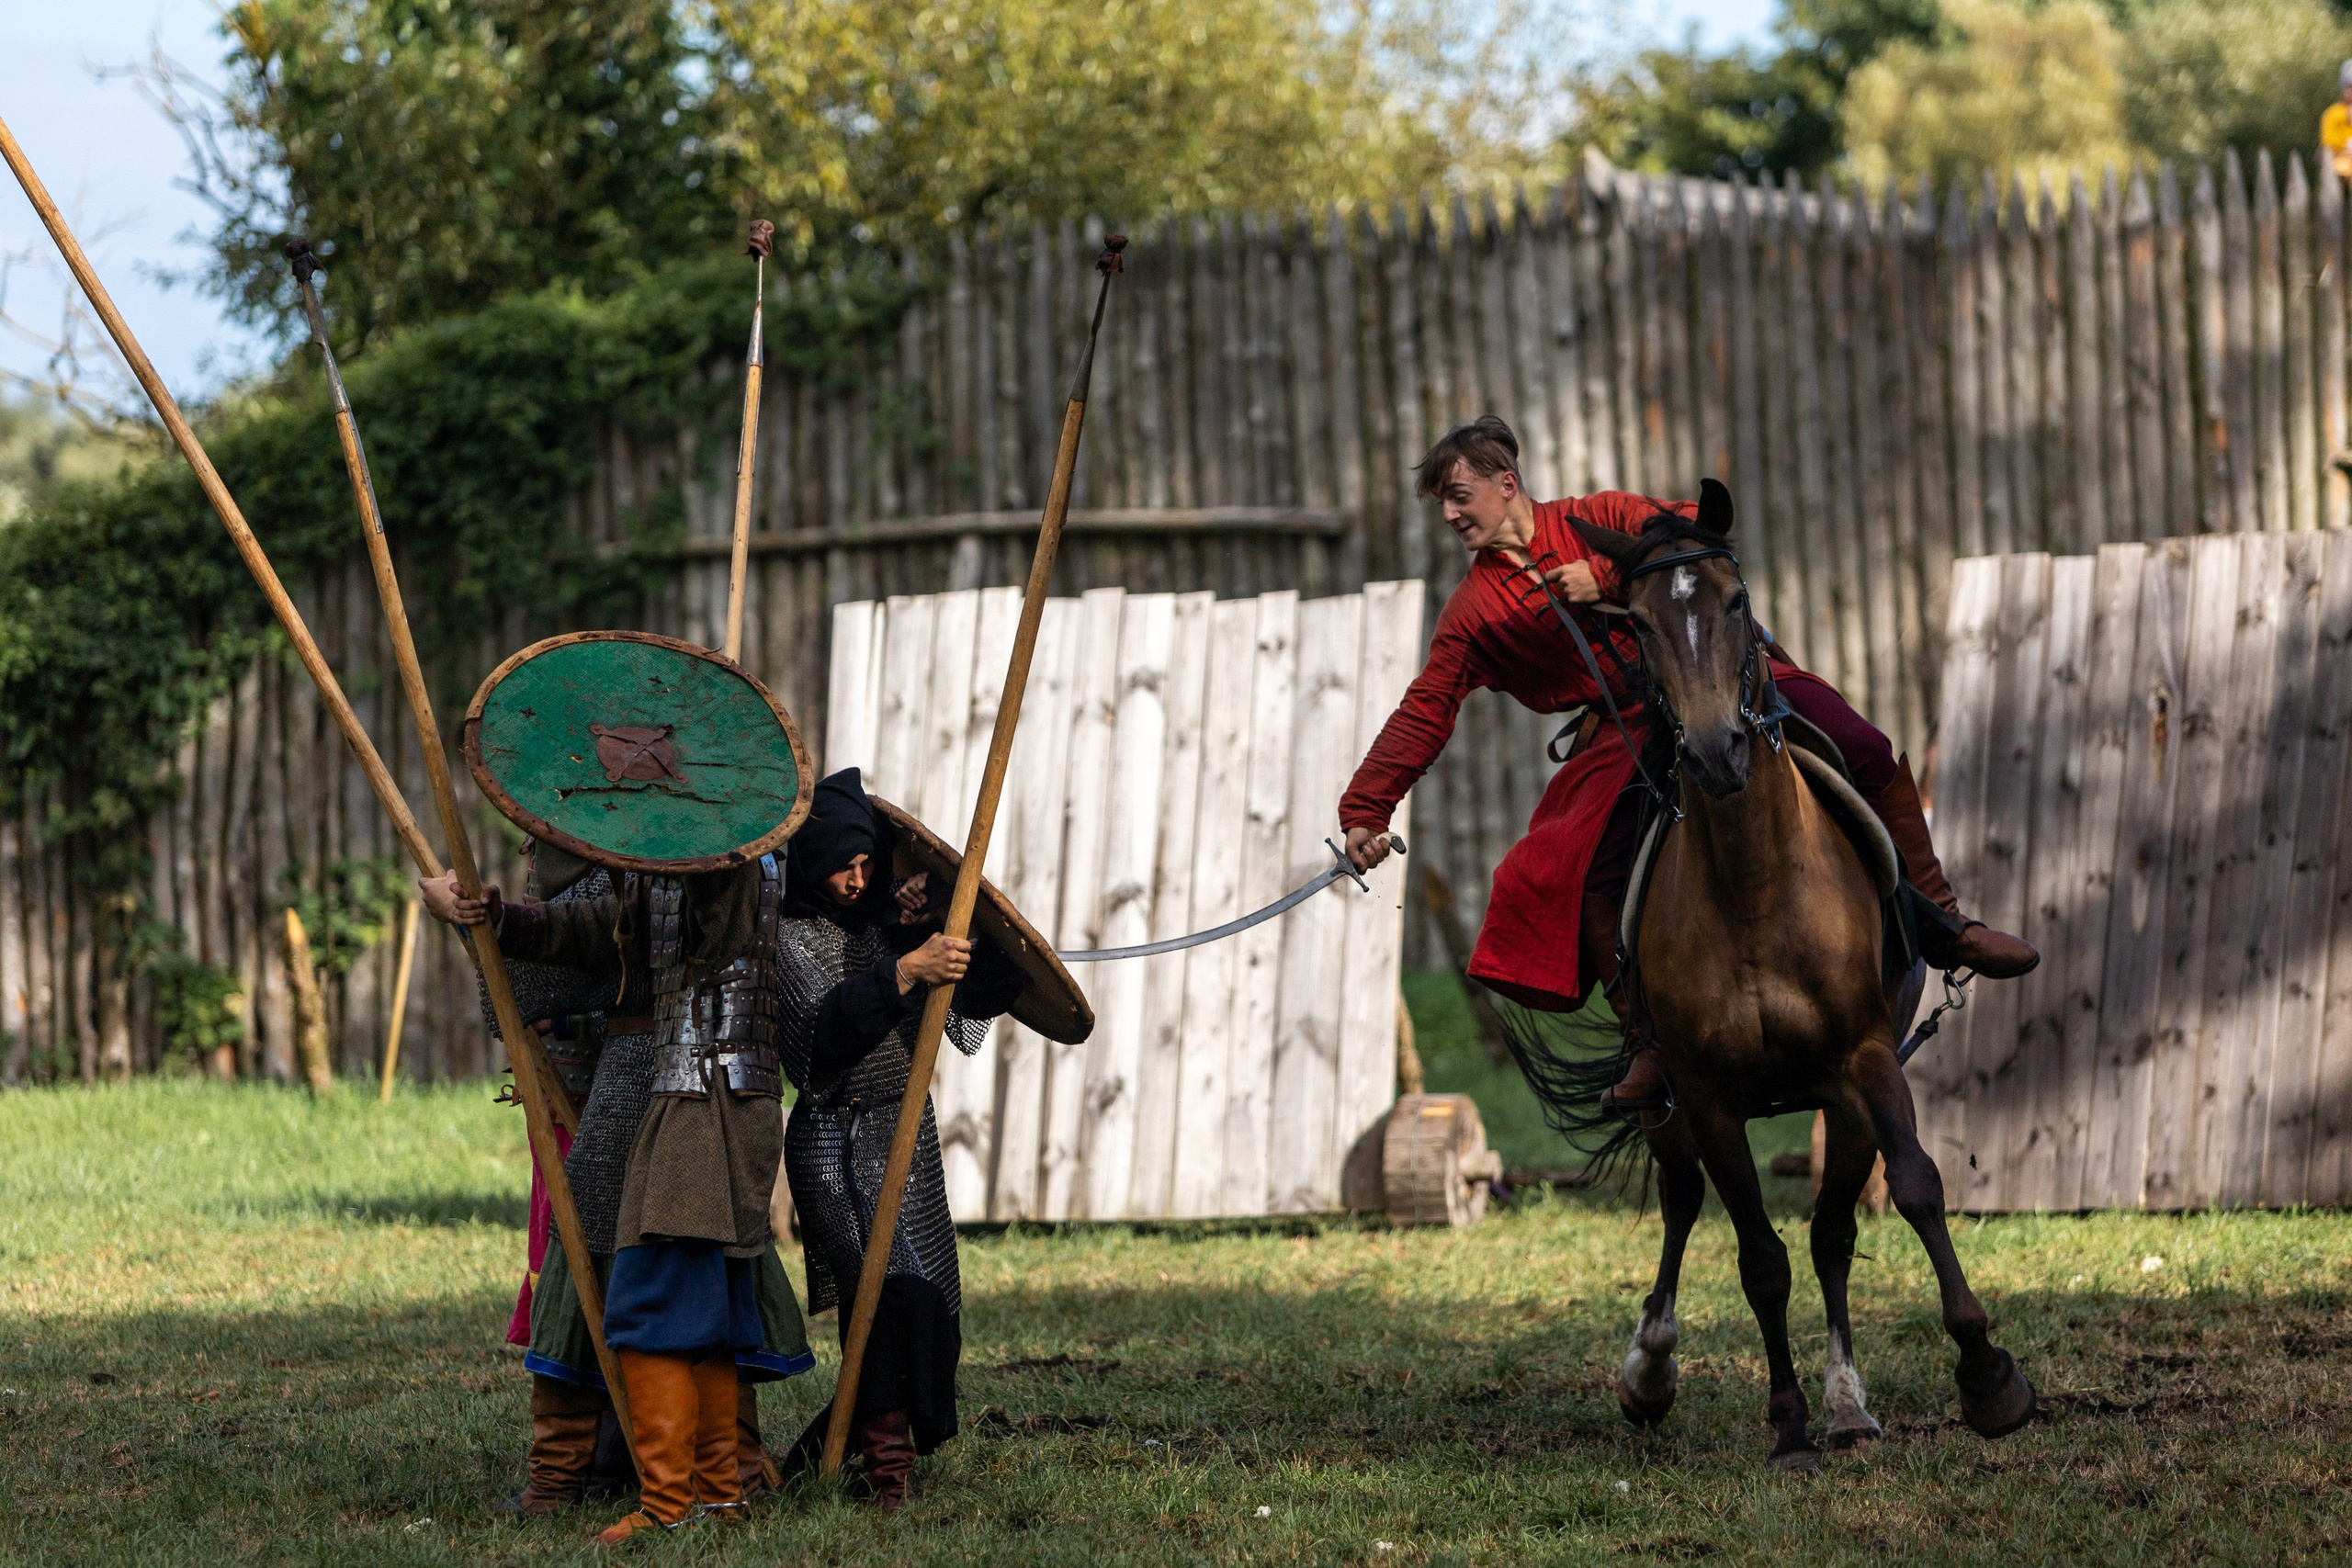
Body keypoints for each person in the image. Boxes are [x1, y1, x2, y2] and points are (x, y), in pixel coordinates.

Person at [1339, 415, 2038, 1117]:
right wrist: (1366, 811)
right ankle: (1651, 1043)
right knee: (1572, 868)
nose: (1452, 514)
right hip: (1624, 729)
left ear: (1507, 483)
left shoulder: (1603, 517)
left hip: (1723, 684)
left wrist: (1608, 573)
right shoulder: (1474, 613)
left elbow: (1697, 537)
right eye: (1444, 504)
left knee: (1867, 748)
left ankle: (1947, 925)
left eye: (1460, 495)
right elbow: (1425, 708)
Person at [422, 848, 816, 1545]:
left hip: (706, 1099)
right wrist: (496, 918)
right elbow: (597, 932)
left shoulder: (727, 867)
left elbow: (697, 923)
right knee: (691, 1298)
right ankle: (707, 1495)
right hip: (684, 1091)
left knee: (658, 1295)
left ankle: (683, 1497)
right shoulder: (667, 874)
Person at [767, 769, 1025, 1509]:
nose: (854, 880)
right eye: (840, 867)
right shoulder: (793, 937)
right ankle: (886, 1470)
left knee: (929, 1300)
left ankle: (844, 1448)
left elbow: (983, 999)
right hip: (831, 1137)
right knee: (887, 1296)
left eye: (865, 865)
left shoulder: (893, 924)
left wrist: (950, 922)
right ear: (812, 866)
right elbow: (822, 1035)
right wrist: (905, 968)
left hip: (904, 1135)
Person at [2324, 61, 2352, 181]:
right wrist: (2346, 144)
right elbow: (2328, 141)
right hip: (2342, 163)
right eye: (2349, 86)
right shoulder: (2333, 113)